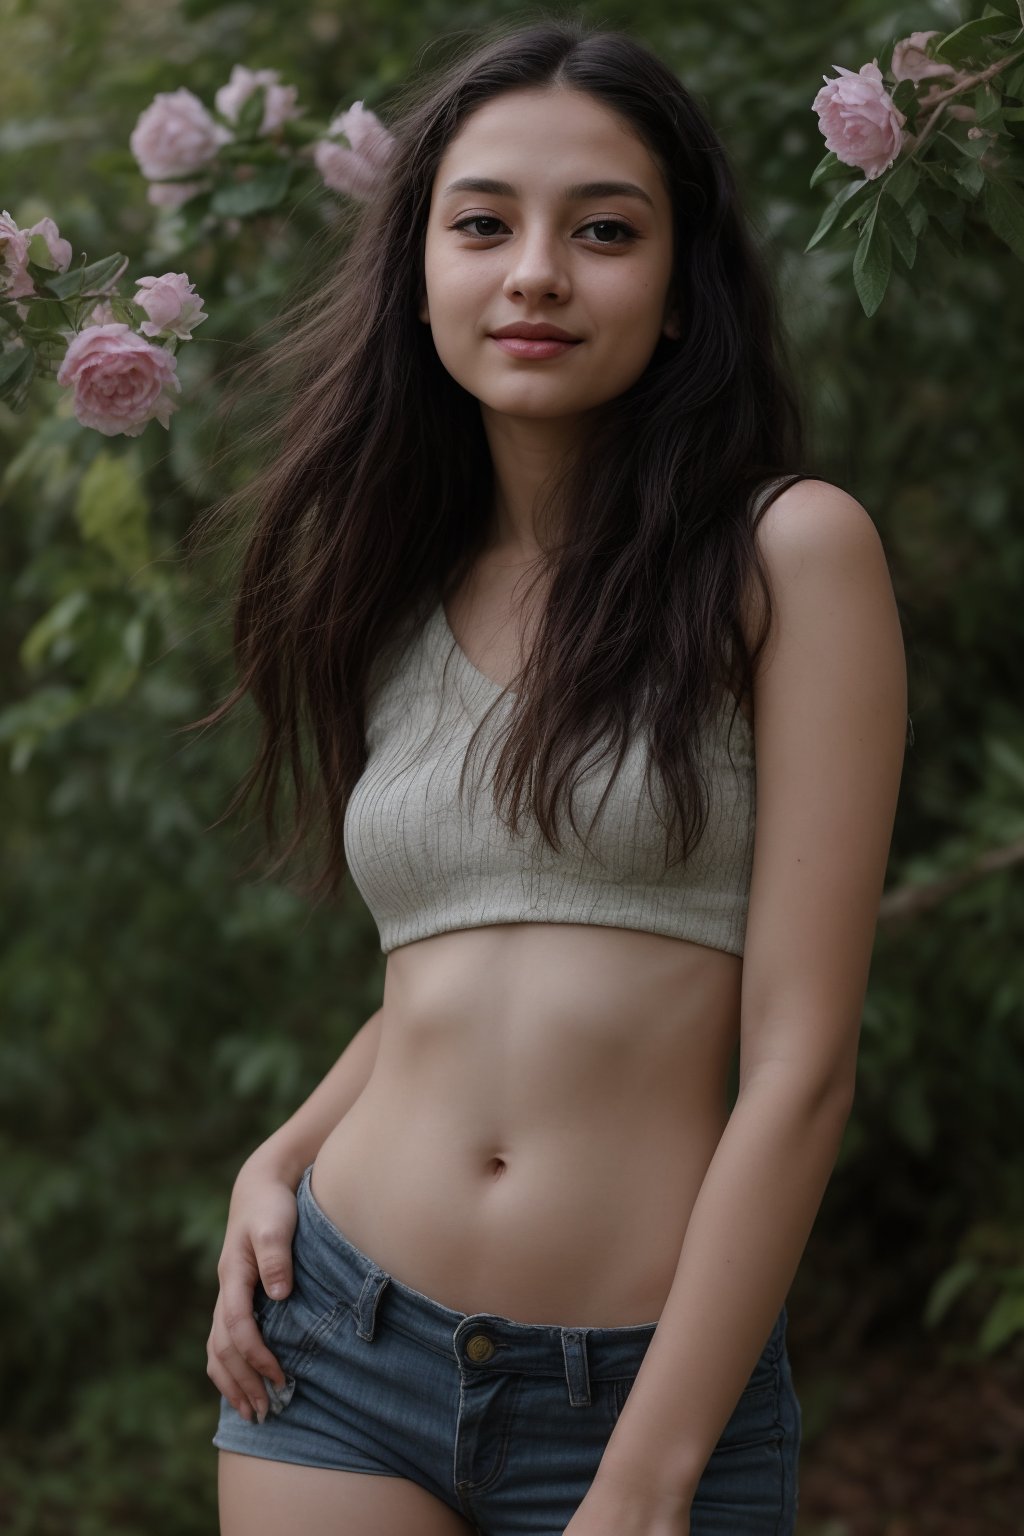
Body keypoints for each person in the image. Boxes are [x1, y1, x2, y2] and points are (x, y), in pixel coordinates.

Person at [199, 16, 908, 1536]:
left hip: (645, 1390)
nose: (535, 271)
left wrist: (649, 1481)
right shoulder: (392, 588)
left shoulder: (789, 558)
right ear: (422, 278)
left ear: (674, 291)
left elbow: (799, 1065)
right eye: (482, 224)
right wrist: (282, 1152)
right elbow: (445, 973)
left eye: (603, 229)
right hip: (335, 1351)